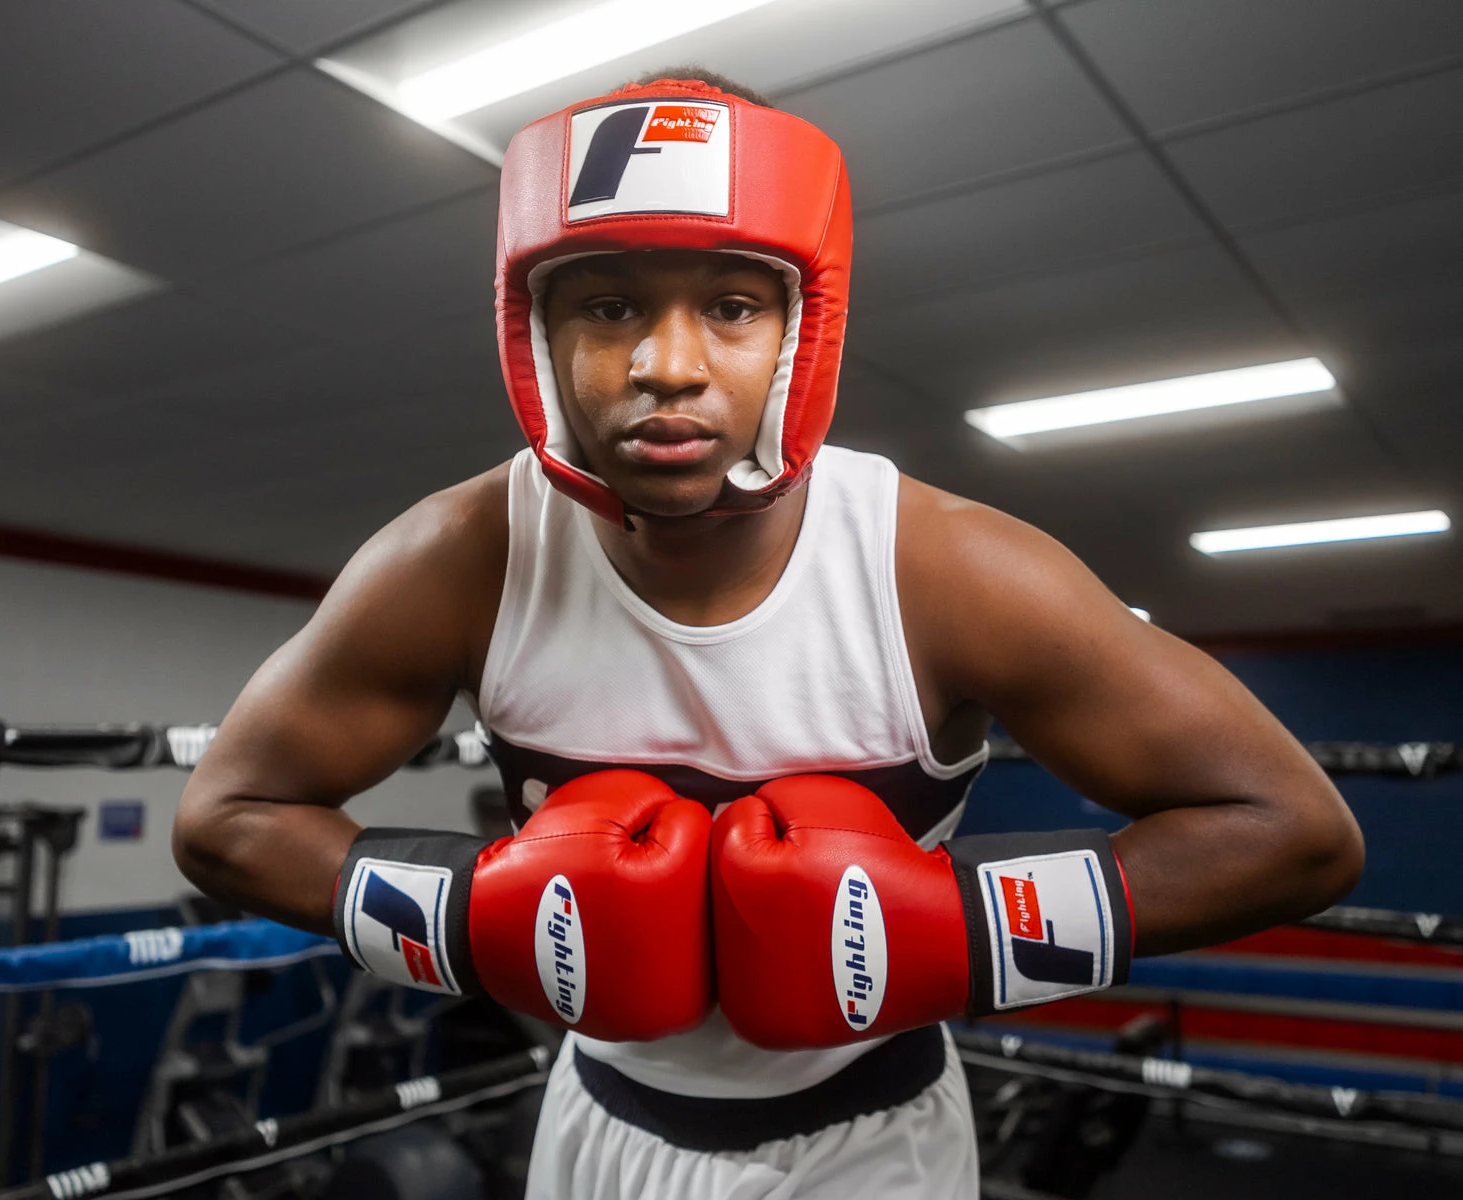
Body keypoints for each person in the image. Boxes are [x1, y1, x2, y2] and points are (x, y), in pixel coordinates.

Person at [174, 71, 1364, 1199]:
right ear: (535, 329)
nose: (667, 365)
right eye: (608, 305)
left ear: (806, 324)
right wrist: (472, 925)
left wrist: (955, 934)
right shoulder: (463, 558)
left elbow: (1295, 833)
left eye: (732, 305)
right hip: (593, 1124)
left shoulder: (947, 571)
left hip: (869, 1145)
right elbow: (226, 820)